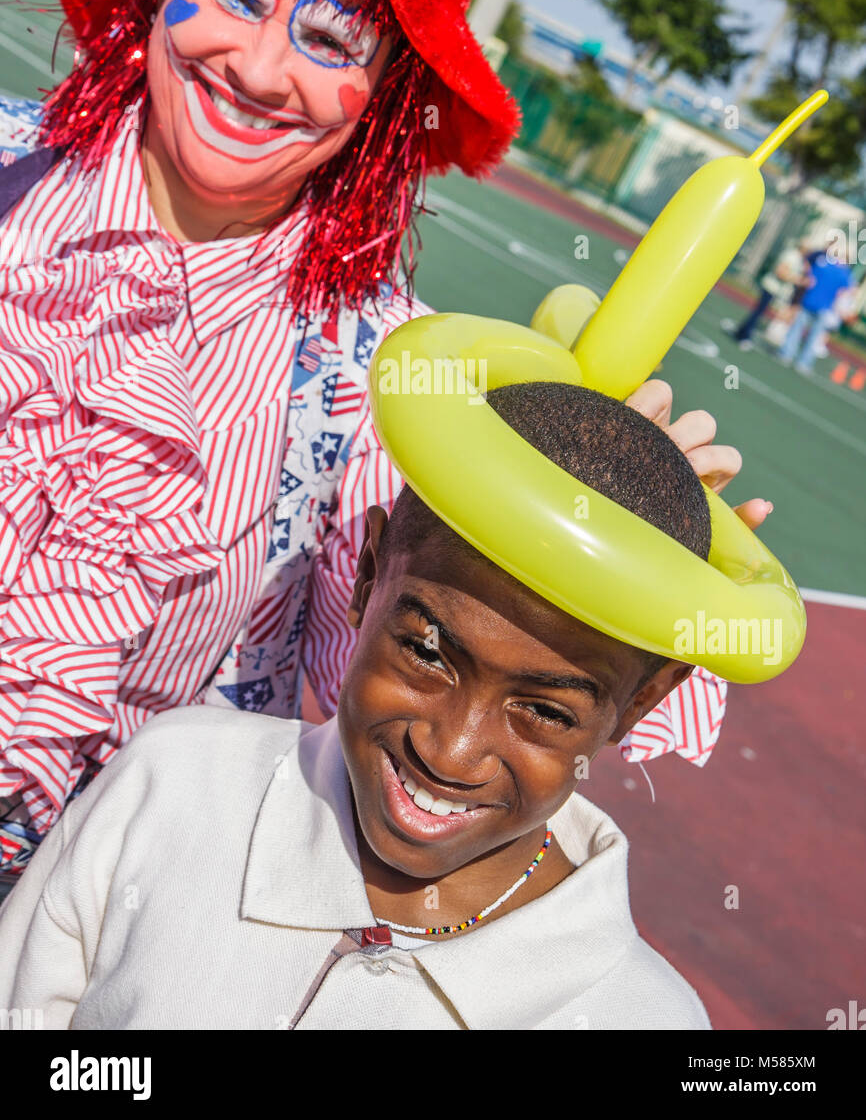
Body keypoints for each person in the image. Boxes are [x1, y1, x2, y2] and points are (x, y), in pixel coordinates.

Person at [0, 0, 761, 890]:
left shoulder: (392, 375)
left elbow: (410, 692)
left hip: (72, 922)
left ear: (388, 89)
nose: (259, 69)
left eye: (327, 38)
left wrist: (613, 530)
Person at [0, 380, 745, 1030]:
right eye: (425, 652)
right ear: (365, 575)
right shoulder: (172, 785)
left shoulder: (643, 1019)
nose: (450, 751)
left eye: (545, 713)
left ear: (643, 701)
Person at [777, 240, 855, 371]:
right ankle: (803, 363)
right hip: (823, 307)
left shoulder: (823, 263)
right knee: (813, 337)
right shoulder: (844, 272)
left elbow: (808, 272)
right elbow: (847, 291)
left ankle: (787, 354)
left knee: (797, 330)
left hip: (810, 301)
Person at [732, 240, 808, 349]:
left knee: (760, 313)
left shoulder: (799, 259)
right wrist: (798, 280)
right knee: (758, 313)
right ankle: (744, 335)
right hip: (772, 287)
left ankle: (741, 332)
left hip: (778, 290)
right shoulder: (792, 256)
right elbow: (780, 272)